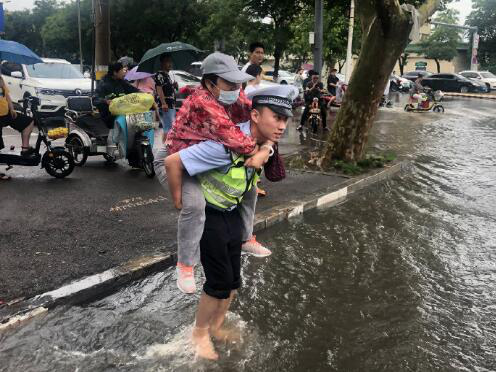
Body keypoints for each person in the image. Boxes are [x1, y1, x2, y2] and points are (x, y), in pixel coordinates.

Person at [164, 85, 297, 360]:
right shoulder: (223, 146)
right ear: (256, 116)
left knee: (233, 281)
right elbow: (173, 161)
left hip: (231, 213)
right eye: (277, 117)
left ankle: (216, 325)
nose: (282, 125)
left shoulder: (264, 140)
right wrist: (180, 201)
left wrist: (267, 148)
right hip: (209, 214)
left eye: (286, 119)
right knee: (218, 282)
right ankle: (199, 333)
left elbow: (263, 160)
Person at [155, 52, 274, 294]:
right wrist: (263, 149)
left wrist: (268, 140)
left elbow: (255, 116)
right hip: (177, 160)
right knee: (194, 206)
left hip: (201, 157)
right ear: (210, 83)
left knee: (249, 186)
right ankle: (186, 265)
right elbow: (238, 140)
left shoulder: (232, 94)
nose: (236, 88)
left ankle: (245, 237)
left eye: (238, 82)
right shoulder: (204, 103)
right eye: (229, 83)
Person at [0, 75, 35, 180]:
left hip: (6, 114)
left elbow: (7, 96)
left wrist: (12, 109)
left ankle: (25, 149)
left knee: (28, 122)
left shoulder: (1, 79)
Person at [95, 62, 140, 128]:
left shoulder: (122, 82)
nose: (124, 73)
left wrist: (143, 93)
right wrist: (106, 101)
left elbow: (133, 90)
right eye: (121, 71)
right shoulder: (103, 84)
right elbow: (95, 99)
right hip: (109, 117)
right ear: (115, 73)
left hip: (124, 113)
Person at [154, 54, 178, 135]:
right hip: (166, 106)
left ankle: (167, 146)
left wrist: (173, 86)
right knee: (168, 128)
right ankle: (166, 146)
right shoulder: (159, 75)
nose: (170, 64)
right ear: (162, 63)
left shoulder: (167, 75)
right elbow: (159, 89)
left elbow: (166, 89)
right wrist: (164, 103)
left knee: (170, 127)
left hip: (171, 105)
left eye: (170, 61)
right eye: (167, 61)